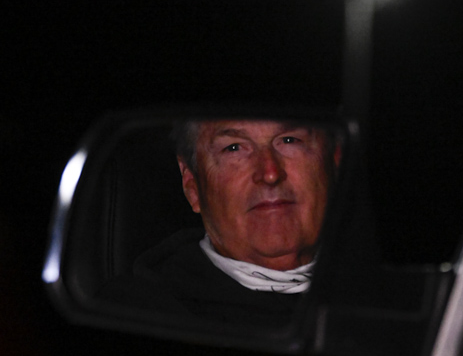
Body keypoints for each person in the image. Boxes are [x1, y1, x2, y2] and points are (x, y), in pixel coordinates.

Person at [100, 119, 338, 328]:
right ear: (192, 187)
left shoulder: (359, 287)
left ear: (335, 162)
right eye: (233, 148)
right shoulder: (136, 313)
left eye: (289, 140)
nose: (269, 173)